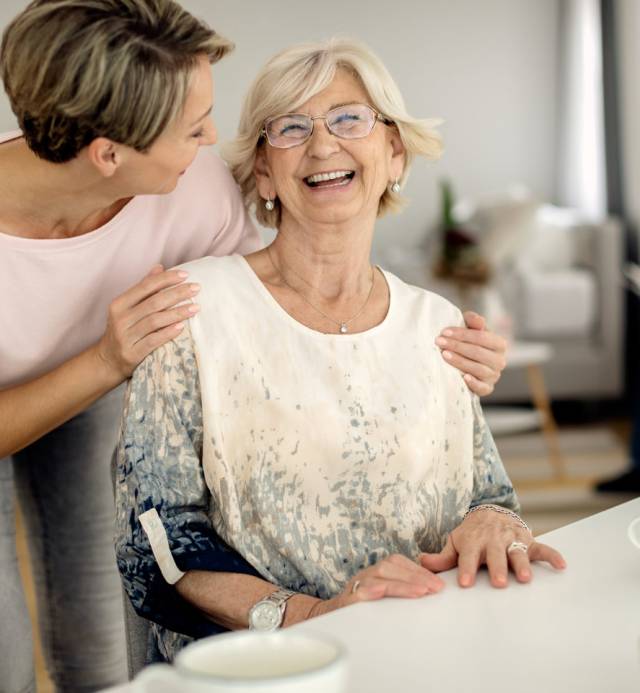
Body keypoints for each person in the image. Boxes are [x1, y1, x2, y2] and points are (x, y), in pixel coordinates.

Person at [0, 2, 507, 691]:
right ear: (109, 153)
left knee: (92, 639)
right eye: (191, 128)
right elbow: (165, 539)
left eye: (349, 119)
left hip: (97, 375)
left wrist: (434, 357)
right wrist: (106, 361)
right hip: (87, 363)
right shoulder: (177, 269)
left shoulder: (194, 185)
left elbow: (285, 305)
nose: (213, 138)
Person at [115, 38, 566, 663]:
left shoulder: (435, 323)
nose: (323, 145)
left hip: (423, 653)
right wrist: (315, 618)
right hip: (258, 668)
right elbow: (157, 539)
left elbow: (486, 495)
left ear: (395, 153)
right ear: (265, 173)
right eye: (291, 127)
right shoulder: (194, 310)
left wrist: (495, 525)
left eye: (349, 118)